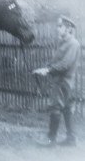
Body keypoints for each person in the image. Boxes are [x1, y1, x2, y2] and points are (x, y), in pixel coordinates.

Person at [33, 15, 80, 147]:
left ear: (68, 28)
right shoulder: (63, 43)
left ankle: (51, 140)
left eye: (60, 26)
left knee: (56, 107)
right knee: (67, 108)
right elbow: (55, 61)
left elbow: (65, 65)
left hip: (63, 82)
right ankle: (71, 139)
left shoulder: (73, 44)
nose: (57, 29)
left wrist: (48, 71)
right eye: (57, 26)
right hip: (63, 81)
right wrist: (44, 68)